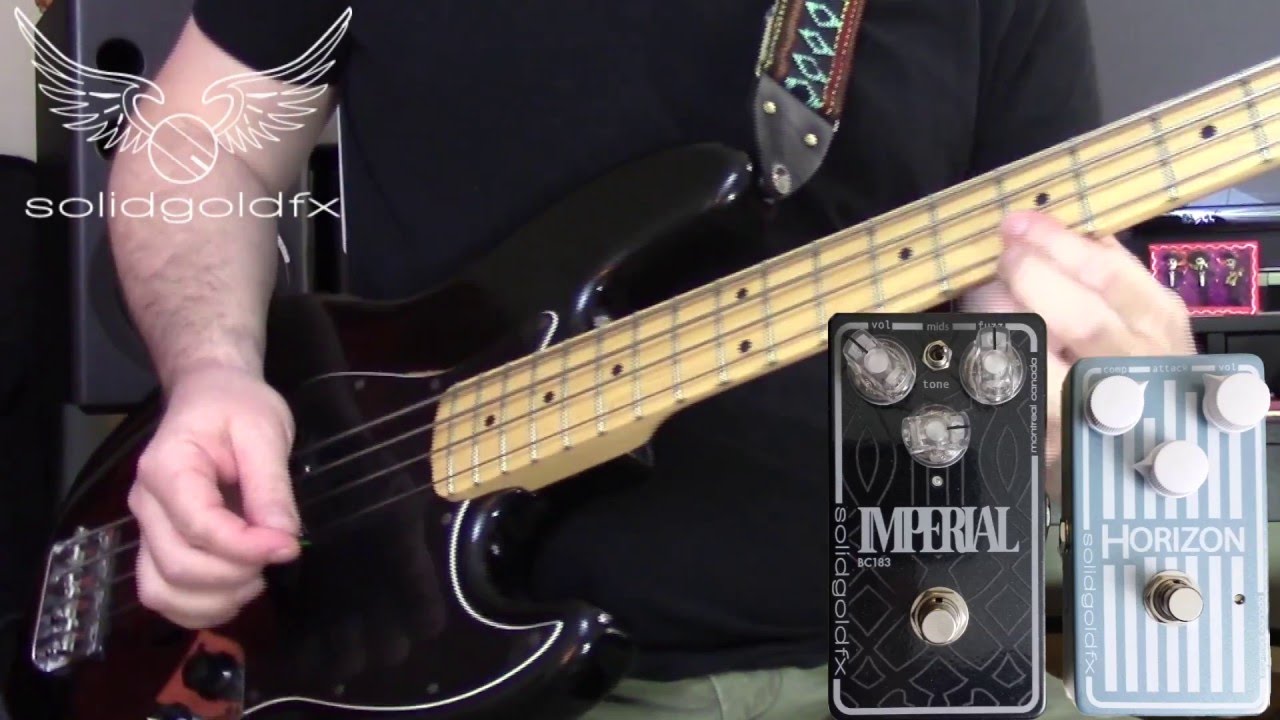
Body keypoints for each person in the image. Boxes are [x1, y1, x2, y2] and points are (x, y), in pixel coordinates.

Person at [106, 1, 1194, 717]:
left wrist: (1098, 397)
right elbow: (199, 144)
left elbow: (1027, 319)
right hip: (450, 660)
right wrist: (212, 372)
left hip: (909, 652)